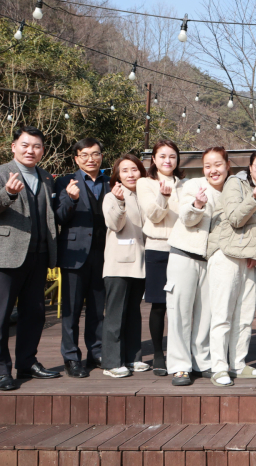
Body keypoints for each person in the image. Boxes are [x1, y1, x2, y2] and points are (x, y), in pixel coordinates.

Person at [0, 126, 61, 390]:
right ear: (14, 146)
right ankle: (1, 371)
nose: (31, 150)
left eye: (37, 146)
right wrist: (8, 193)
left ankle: (27, 362)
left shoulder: (46, 177)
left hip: (39, 255)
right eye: (25, 145)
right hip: (5, 256)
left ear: (42, 150)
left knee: (34, 313)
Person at [205, 149, 256, 386]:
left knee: (245, 315)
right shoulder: (235, 183)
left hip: (250, 259)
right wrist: (254, 198)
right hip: (226, 254)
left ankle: (237, 364)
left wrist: (255, 252)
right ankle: (219, 367)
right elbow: (234, 218)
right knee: (222, 314)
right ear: (250, 168)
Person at [165, 146, 230, 386]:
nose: (213, 170)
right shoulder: (193, 185)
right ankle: (180, 366)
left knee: (207, 314)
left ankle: (202, 361)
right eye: (208, 166)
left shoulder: (232, 189)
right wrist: (198, 205)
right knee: (179, 312)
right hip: (184, 255)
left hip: (212, 260)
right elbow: (186, 217)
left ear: (227, 165)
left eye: (218, 164)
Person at [53, 137, 110, 378]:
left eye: (95, 154)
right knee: (72, 310)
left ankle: (96, 352)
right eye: (84, 155)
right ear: (76, 159)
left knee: (97, 309)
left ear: (101, 156)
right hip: (75, 254)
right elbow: (59, 217)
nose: (90, 159)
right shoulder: (64, 181)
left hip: (104, 254)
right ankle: (71, 357)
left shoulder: (110, 182)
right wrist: (72, 199)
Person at [136, 140, 185, 376]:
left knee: (181, 305)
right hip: (157, 247)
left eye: (172, 156)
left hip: (182, 249)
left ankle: (180, 353)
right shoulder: (145, 183)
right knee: (159, 304)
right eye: (162, 156)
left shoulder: (185, 185)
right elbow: (154, 216)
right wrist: (163, 197)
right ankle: (158, 353)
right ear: (153, 159)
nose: (167, 160)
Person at [101, 154, 148, 378]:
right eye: (125, 170)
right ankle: (111, 362)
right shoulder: (112, 196)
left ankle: (132, 357)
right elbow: (114, 224)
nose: (130, 174)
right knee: (115, 314)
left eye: (134, 169)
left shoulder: (144, 195)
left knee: (133, 313)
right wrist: (120, 203)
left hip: (140, 263)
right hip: (118, 264)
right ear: (117, 176)